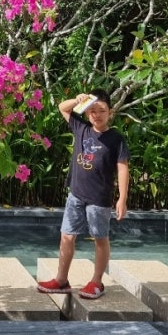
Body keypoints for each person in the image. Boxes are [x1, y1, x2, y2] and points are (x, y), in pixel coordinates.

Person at [37, 88, 129, 299]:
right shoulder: (81, 128)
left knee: (100, 238)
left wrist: (122, 198)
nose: (97, 115)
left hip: (99, 198)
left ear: (110, 112)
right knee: (67, 235)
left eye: (102, 110)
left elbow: (122, 167)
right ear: (87, 112)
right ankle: (61, 280)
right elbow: (63, 108)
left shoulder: (116, 139)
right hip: (76, 194)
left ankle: (97, 282)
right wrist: (80, 99)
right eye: (93, 110)